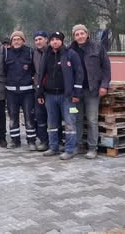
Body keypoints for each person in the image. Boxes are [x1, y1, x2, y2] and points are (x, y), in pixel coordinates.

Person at [36, 31, 83, 160]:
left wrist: (76, 93)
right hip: (49, 95)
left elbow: (79, 74)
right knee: (52, 122)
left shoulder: (70, 54)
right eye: (52, 40)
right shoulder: (47, 55)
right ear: (49, 42)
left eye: (57, 39)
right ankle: (53, 147)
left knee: (69, 123)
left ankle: (70, 149)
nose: (54, 42)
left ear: (62, 41)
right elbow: (41, 74)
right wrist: (40, 93)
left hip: (67, 96)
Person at [69, 24, 111, 159]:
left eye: (82, 33)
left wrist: (104, 85)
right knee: (77, 119)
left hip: (92, 91)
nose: (80, 36)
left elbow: (106, 68)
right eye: (77, 34)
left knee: (92, 119)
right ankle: (77, 146)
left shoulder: (97, 47)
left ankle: (92, 148)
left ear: (87, 34)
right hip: (76, 93)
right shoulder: (70, 50)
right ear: (74, 36)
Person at [4, 31, 37, 151]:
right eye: (14, 40)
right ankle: (15, 140)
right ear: (11, 42)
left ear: (23, 41)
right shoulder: (7, 53)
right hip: (11, 92)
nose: (16, 41)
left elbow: (34, 69)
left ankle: (31, 141)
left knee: (29, 117)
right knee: (13, 117)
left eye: (19, 39)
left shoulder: (30, 52)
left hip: (27, 91)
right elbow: (4, 70)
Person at [32, 31, 50, 151]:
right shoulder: (34, 54)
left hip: (52, 90)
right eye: (36, 40)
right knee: (40, 116)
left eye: (40, 39)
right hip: (38, 91)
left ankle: (56, 141)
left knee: (54, 117)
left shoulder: (53, 52)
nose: (38, 42)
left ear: (46, 39)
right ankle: (43, 140)